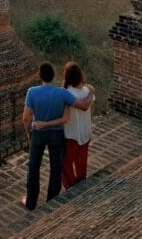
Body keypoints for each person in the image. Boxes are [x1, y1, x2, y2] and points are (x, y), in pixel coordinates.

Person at [21, 62, 93, 210]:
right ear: (53, 76)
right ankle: (51, 201)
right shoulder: (62, 93)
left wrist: (29, 133)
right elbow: (84, 106)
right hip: (56, 134)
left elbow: (26, 118)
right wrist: (91, 91)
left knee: (34, 167)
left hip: (38, 133)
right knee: (56, 168)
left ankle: (30, 202)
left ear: (40, 76)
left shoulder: (32, 92)